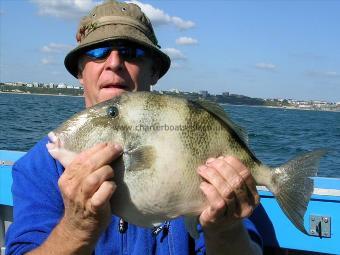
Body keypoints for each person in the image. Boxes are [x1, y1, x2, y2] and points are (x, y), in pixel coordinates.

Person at [6, 1, 263, 254]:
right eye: (97, 51)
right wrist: (77, 229)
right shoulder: (40, 166)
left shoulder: (214, 154)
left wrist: (225, 231)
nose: (114, 62)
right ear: (80, 72)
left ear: (154, 73)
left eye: (131, 52)